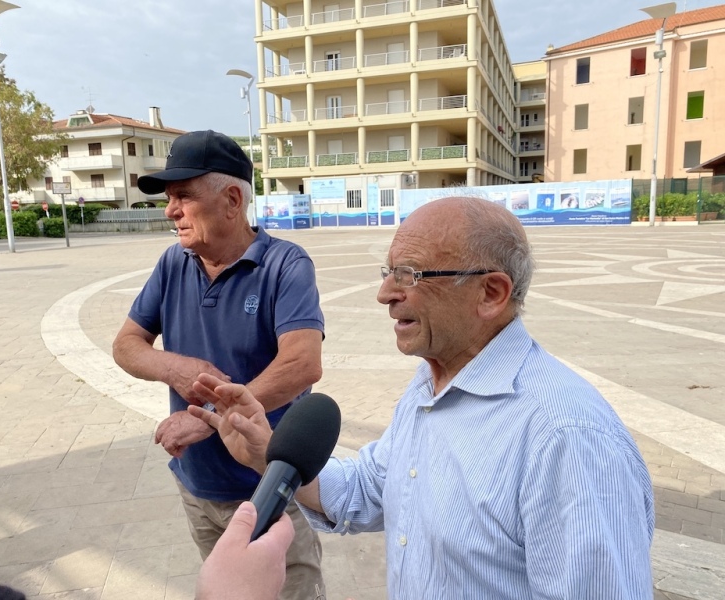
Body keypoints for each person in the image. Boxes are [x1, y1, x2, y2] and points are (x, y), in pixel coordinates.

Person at [188, 196, 656, 599]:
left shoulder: (567, 440)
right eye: (388, 271)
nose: (384, 294)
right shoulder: (432, 380)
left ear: (490, 292)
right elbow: (372, 488)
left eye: (409, 273)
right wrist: (267, 455)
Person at [112, 130, 326, 600]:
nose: (171, 211)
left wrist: (207, 419)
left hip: (268, 492)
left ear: (232, 199)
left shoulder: (285, 266)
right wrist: (175, 368)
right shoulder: (174, 262)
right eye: (169, 198)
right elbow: (126, 344)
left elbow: (303, 363)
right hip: (197, 487)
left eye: (183, 196)